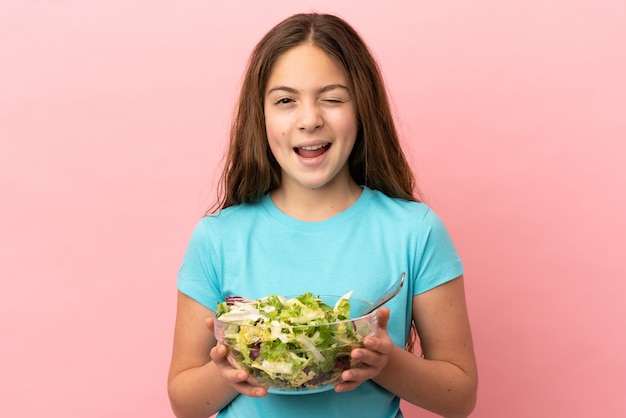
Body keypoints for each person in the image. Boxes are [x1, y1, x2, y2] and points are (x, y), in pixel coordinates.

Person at [168, 12, 477, 418]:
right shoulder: (218, 237)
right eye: (285, 101)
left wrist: (386, 363)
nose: (310, 119)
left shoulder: (414, 231)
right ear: (259, 117)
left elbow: (461, 396)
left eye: (332, 98)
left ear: (362, 108)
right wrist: (230, 367)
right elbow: (183, 402)